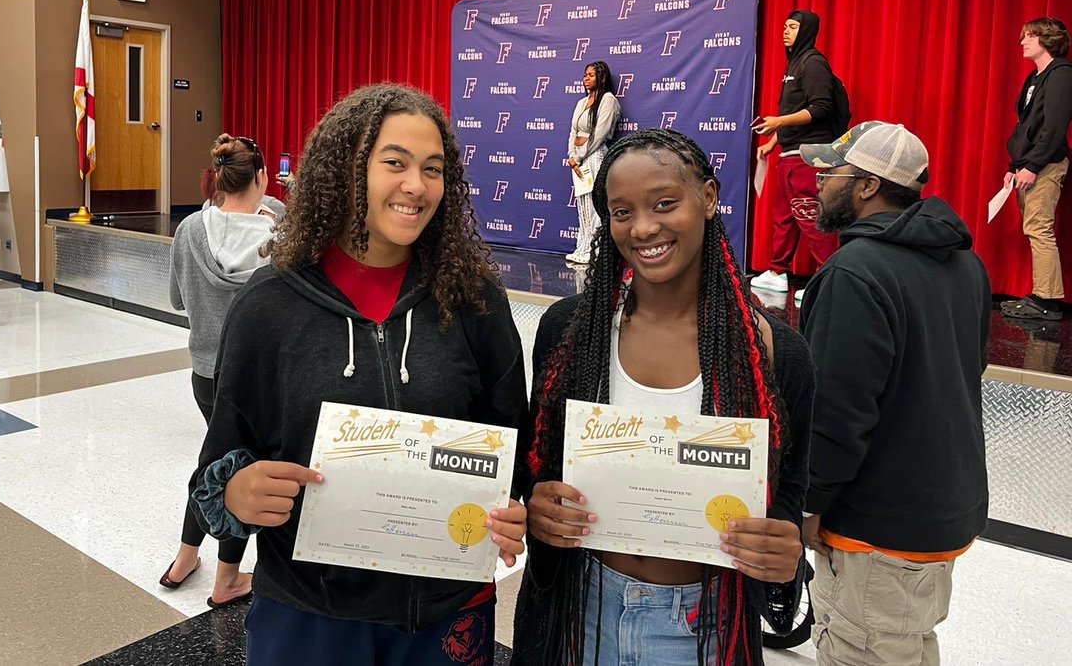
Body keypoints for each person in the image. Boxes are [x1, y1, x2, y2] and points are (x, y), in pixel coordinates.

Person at [188, 84, 529, 664]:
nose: (416, 186)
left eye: (433, 169)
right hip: (309, 612)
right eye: (394, 163)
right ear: (345, 170)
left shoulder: (473, 300)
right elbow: (217, 470)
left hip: (448, 610)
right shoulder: (269, 306)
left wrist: (510, 507)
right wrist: (239, 494)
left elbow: (510, 442)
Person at [512, 129, 815, 666]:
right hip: (578, 609)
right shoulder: (570, 332)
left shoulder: (772, 351)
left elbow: (789, 486)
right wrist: (538, 503)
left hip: (705, 623)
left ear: (710, 196)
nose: (644, 227)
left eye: (665, 203)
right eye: (622, 211)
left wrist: (784, 541)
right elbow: (539, 463)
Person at [799, 121, 990, 666]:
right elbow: (966, 372)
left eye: (830, 171)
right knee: (909, 643)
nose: (817, 181)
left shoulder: (855, 273)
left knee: (865, 647)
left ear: (865, 186)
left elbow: (835, 413)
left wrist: (810, 504)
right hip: (940, 512)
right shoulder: (967, 264)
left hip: (875, 527)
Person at [161, 134, 280, 607]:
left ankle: (186, 557)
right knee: (242, 472)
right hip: (260, 380)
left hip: (206, 374)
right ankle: (227, 578)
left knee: (213, 460)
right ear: (261, 177)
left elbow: (174, 300)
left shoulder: (190, 229)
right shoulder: (281, 230)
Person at [751, 10, 841, 300]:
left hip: (809, 158)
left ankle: (828, 279)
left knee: (810, 217)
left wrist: (779, 121)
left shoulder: (813, 63)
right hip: (789, 155)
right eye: (785, 26)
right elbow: (793, 113)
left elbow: (821, 108)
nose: (785, 31)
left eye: (792, 26)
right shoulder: (794, 63)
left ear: (807, 31)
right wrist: (773, 141)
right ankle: (777, 272)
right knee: (784, 218)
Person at [1001, 17, 1072, 321]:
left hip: (1046, 163)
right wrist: (1014, 166)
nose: (1023, 42)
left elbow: (1054, 128)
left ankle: (1048, 301)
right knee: (1034, 229)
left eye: (1029, 36)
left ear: (1048, 39)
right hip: (1029, 164)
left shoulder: (1061, 74)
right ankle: (1040, 296)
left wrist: (1032, 165)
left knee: (1039, 229)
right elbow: (1027, 126)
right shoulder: (1035, 78)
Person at [566, 61, 621, 265]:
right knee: (583, 205)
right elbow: (573, 132)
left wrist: (578, 156)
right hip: (578, 159)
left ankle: (596, 250)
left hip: (595, 156)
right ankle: (583, 247)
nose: (586, 78)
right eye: (584, 75)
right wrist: (572, 156)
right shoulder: (582, 102)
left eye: (591, 75)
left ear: (602, 77)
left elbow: (599, 134)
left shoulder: (608, 100)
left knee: (595, 203)